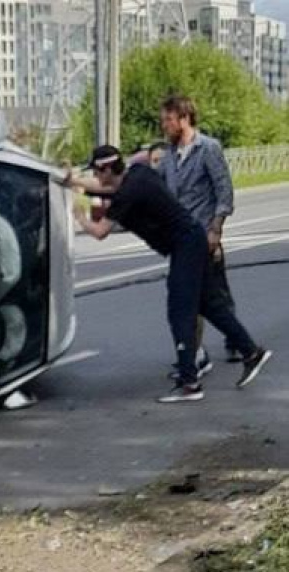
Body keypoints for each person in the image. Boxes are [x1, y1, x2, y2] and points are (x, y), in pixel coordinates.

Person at [66, 145, 271, 403]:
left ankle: (189, 383)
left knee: (180, 311)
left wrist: (79, 217)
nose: (95, 176)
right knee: (209, 305)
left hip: (184, 246)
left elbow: (100, 232)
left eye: (96, 171)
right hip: (191, 240)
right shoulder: (138, 174)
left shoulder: (126, 195)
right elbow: (107, 188)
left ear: (107, 169)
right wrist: (72, 182)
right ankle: (251, 352)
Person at [159, 95, 240, 367]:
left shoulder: (208, 149)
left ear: (184, 119)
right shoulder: (168, 155)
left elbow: (223, 190)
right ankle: (201, 352)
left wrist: (216, 230)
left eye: (168, 120)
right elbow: (158, 190)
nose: (164, 126)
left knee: (208, 296)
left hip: (204, 235)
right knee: (203, 296)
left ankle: (201, 355)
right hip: (180, 239)